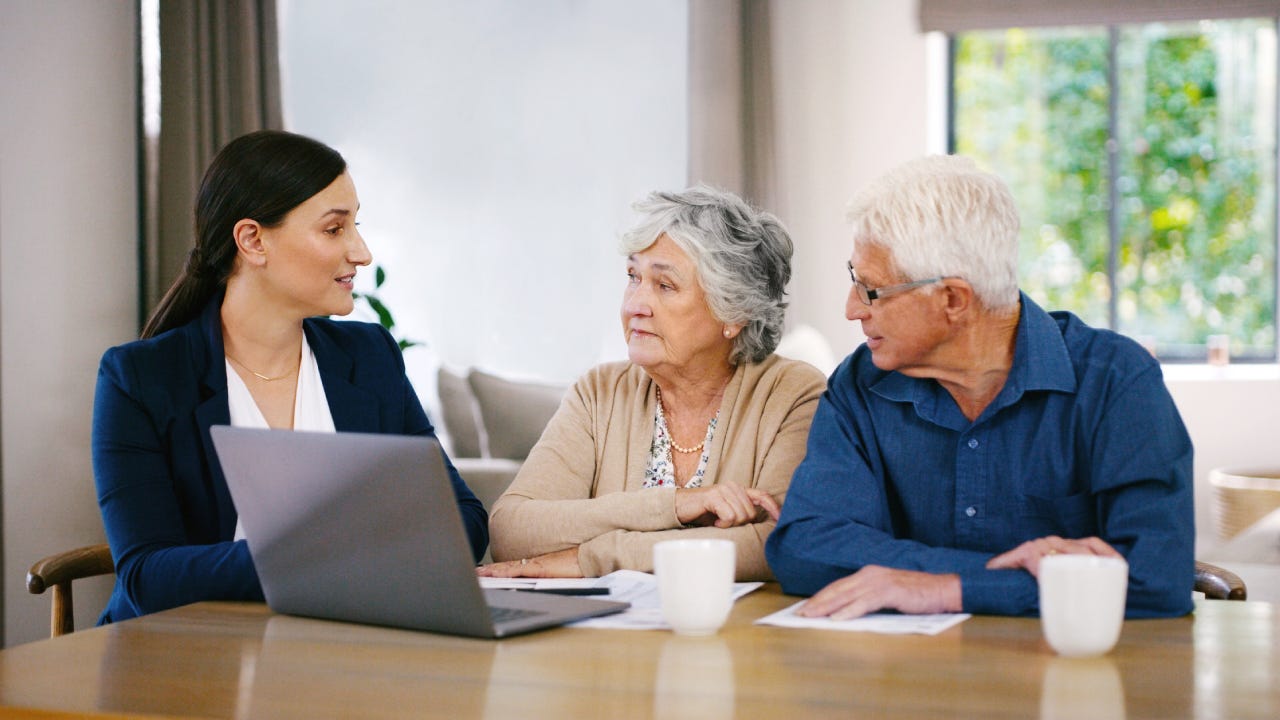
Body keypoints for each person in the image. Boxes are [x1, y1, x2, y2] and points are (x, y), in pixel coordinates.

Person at [765, 155, 1194, 618]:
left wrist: (945, 588)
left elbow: (1157, 579)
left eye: (871, 290)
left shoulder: (1115, 382)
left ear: (952, 299)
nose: (852, 309)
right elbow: (805, 547)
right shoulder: (860, 385)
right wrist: (1003, 576)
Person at [93, 130, 487, 624]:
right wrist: (342, 550)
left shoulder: (370, 357)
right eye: (333, 229)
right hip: (188, 661)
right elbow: (148, 576)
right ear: (253, 241)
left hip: (340, 648)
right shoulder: (140, 379)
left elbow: (464, 521)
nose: (361, 252)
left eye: (355, 226)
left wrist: (330, 554)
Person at [481, 187, 826, 581]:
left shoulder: (792, 394)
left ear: (734, 312)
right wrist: (676, 505)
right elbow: (510, 530)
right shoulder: (600, 392)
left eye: (664, 286)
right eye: (633, 277)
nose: (634, 306)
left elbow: (774, 542)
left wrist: (589, 559)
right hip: (604, 637)